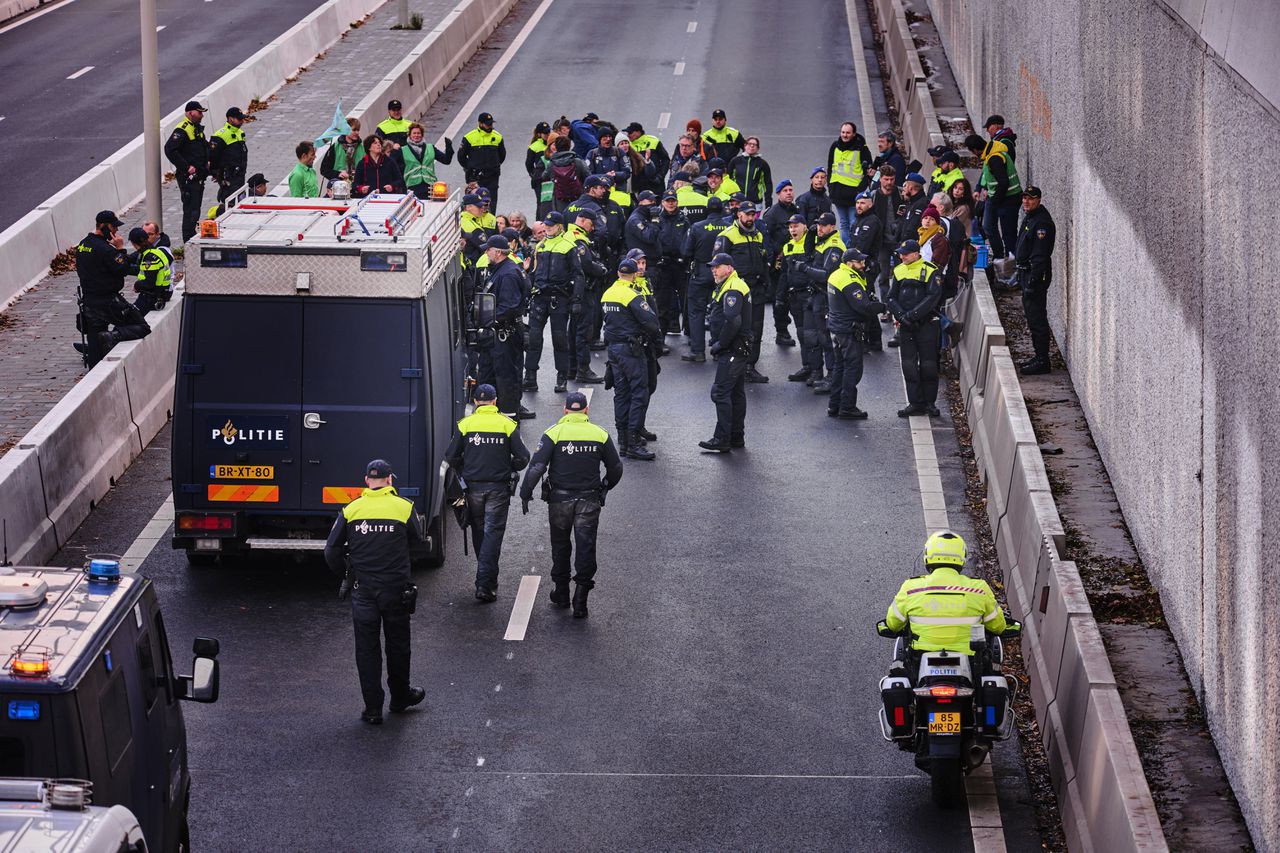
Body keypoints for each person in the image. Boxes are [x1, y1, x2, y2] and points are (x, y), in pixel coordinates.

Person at [323, 459, 427, 725]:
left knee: (367, 650)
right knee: (398, 645)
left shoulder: (351, 510)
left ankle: (372, 709)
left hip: (364, 591)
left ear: (367, 481)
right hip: (395, 590)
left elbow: (331, 551)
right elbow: (420, 544)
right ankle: (400, 698)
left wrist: (347, 573)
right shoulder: (404, 508)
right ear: (390, 480)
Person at [519, 392, 623, 618]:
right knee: (586, 547)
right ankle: (581, 601)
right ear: (586, 411)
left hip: (559, 501)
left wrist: (525, 493)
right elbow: (616, 468)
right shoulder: (600, 434)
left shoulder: (553, 433)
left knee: (560, 546)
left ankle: (562, 593)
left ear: (565, 410)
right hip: (589, 500)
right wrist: (605, 486)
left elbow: (537, 468)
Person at [444, 384, 530, 602]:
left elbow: (451, 456)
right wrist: (508, 466)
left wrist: (467, 467)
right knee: (493, 534)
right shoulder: (507, 425)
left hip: (472, 489)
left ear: (475, 402)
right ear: (494, 401)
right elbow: (523, 458)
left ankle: (487, 579)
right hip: (498, 489)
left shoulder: (465, 425)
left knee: (480, 531)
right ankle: (484, 582)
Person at [884, 531, 1009, 673]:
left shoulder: (911, 588)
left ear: (928, 555)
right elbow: (998, 627)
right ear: (962, 557)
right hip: (970, 658)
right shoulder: (979, 589)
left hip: (920, 657)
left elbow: (893, 624)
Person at [602, 257, 662, 459]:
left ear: (618, 273)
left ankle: (623, 440)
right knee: (639, 393)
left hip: (614, 350)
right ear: (635, 274)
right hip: (631, 351)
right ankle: (634, 442)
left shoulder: (608, 293)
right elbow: (651, 322)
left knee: (621, 393)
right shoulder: (632, 295)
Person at [74, 211, 151, 364]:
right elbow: (123, 268)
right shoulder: (106, 249)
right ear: (104, 226)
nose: (116, 231)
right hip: (109, 301)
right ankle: (112, 336)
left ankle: (94, 375)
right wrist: (120, 248)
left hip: (89, 301)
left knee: (95, 344)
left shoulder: (83, 244)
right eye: (114, 227)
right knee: (142, 327)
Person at [698, 253, 753, 452]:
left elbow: (733, 320)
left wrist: (721, 344)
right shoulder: (730, 284)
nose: (713, 270)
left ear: (728, 268)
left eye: (717, 266)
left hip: (733, 349)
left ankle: (722, 439)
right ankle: (736, 436)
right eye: (712, 266)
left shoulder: (733, 288)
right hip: (738, 348)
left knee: (720, 392)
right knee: (736, 393)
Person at [826, 248, 885, 419]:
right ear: (849, 263)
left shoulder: (836, 274)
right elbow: (863, 307)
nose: (863, 264)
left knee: (839, 367)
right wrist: (882, 307)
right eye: (859, 262)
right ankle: (847, 407)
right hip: (848, 330)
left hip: (837, 328)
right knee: (852, 369)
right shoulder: (849, 280)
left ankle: (834, 405)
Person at [713, 202, 769, 382]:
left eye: (753, 214)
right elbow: (718, 266)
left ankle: (750, 366)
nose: (751, 218)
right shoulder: (726, 236)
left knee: (756, 329)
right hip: (737, 290)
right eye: (747, 214)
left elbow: (763, 260)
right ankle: (734, 362)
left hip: (757, 289)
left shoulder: (758, 235)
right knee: (736, 326)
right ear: (739, 215)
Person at [888, 239, 943, 417]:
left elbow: (933, 297)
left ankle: (930, 403)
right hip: (906, 325)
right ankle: (915, 403)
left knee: (928, 365)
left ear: (916, 253)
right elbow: (891, 298)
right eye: (900, 254)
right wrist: (901, 316)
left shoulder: (930, 270)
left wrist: (912, 315)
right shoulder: (898, 270)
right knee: (909, 365)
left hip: (926, 324)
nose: (902, 256)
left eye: (905, 253)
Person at [525, 211, 578, 393]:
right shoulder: (540, 246)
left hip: (559, 298)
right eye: (546, 224)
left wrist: (576, 300)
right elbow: (532, 272)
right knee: (533, 339)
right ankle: (530, 376)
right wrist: (527, 294)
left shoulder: (569, 246)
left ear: (560, 226)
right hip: (539, 297)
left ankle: (562, 376)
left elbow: (578, 275)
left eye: (551, 224)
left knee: (559, 339)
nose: (547, 227)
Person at [482, 235, 532, 419]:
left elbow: (509, 306)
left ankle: (509, 419)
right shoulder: (502, 269)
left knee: (506, 376)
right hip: (500, 332)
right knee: (492, 372)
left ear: (497, 252)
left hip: (506, 332)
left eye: (488, 250)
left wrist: (487, 319)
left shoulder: (508, 274)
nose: (486, 253)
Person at [681, 197, 731, 362]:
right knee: (720, 311)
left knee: (696, 312)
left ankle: (698, 351)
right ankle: (718, 349)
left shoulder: (697, 227)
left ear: (707, 209)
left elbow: (686, 251)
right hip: (723, 274)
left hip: (701, 272)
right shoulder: (728, 227)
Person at [800, 212, 846, 393]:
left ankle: (833, 377)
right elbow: (808, 253)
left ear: (832, 227)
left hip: (827, 297)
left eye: (823, 225)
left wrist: (804, 268)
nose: (820, 228)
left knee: (828, 339)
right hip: (817, 296)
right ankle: (826, 374)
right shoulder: (823, 241)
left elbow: (826, 275)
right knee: (818, 337)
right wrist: (810, 235)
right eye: (818, 225)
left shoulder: (834, 246)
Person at [1014, 186, 1056, 375]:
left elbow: (1040, 257)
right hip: (1026, 274)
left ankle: (1042, 360)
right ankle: (1038, 355)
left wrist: (1031, 282)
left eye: (1030, 199)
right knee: (1032, 318)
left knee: (1037, 318)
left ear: (1038, 199)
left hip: (1035, 276)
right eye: (1024, 198)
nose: (1026, 202)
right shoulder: (1030, 217)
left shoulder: (1042, 223)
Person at [965, 132, 1021, 274]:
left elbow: (1003, 182)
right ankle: (1000, 258)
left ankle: (1010, 266)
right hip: (998, 198)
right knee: (988, 226)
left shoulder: (994, 157)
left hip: (1008, 199)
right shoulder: (990, 154)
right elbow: (989, 177)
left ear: (975, 150)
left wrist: (994, 200)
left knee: (1008, 233)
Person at [164, 101, 211, 242]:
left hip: (198, 177)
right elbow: (169, 150)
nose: (202, 115)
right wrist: (186, 167)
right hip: (188, 178)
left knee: (195, 210)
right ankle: (188, 243)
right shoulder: (183, 129)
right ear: (190, 113)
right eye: (199, 112)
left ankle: (191, 239)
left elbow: (203, 149)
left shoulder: (195, 128)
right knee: (191, 211)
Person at [780, 214, 815, 382]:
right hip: (794, 296)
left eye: (796, 226)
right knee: (801, 333)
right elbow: (784, 274)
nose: (793, 229)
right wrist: (780, 297)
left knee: (811, 334)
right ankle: (807, 366)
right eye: (790, 227)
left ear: (804, 227)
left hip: (809, 294)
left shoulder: (812, 244)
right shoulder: (787, 247)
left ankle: (816, 370)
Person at [848, 192, 884, 350]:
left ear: (870, 204)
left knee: (862, 302)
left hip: (866, 267)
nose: (859, 206)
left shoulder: (872, 222)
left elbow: (862, 246)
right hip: (858, 266)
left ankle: (868, 338)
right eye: (857, 203)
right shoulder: (858, 220)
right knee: (866, 300)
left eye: (863, 203)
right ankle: (874, 339)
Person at [827, 121, 873, 244]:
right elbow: (830, 167)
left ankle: (852, 249)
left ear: (853, 134)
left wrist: (861, 189)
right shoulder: (835, 146)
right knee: (843, 224)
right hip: (838, 193)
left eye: (848, 132)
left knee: (853, 223)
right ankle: (847, 251)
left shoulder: (861, 149)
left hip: (854, 194)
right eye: (843, 132)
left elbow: (869, 171)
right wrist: (830, 187)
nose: (845, 135)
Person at [653, 190, 691, 336]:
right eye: (667, 200)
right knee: (663, 303)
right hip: (664, 265)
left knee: (685, 300)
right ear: (662, 203)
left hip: (680, 265)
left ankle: (689, 333)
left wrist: (686, 257)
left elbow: (689, 239)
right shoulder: (657, 219)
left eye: (673, 200)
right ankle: (661, 336)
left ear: (677, 202)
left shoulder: (683, 219)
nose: (670, 203)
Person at [458, 112, 506, 208]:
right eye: (487, 124)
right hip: (475, 177)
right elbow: (461, 157)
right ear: (480, 124)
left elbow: (502, 155)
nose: (490, 126)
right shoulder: (469, 137)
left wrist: (493, 165)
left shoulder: (498, 137)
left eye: (491, 124)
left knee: (491, 202)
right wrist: (470, 167)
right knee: (474, 201)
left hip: (492, 176)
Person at [395, 123, 453, 199]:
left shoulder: (430, 148)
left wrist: (449, 147)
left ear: (422, 135)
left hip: (430, 187)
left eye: (418, 133)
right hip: (413, 187)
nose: (416, 135)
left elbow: (446, 160)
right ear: (409, 135)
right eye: (414, 133)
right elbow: (393, 167)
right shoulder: (402, 150)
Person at [870, 166, 902, 300]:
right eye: (886, 179)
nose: (889, 182)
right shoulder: (874, 195)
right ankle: (885, 306)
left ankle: (898, 303)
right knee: (883, 276)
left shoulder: (901, 193)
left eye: (892, 179)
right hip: (882, 242)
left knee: (900, 275)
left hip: (898, 241)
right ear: (881, 179)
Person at [128, 226, 173, 315]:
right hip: (160, 295)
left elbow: (149, 283)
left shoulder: (149, 258)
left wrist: (137, 285)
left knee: (128, 317)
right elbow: (142, 269)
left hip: (151, 298)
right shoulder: (156, 251)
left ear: (133, 243)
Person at [208, 106, 248, 205]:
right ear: (230, 119)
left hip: (240, 175)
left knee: (239, 199)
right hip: (228, 175)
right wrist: (215, 173)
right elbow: (212, 156)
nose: (242, 121)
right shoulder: (220, 135)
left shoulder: (240, 133)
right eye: (239, 119)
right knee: (230, 200)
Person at [622, 121, 670, 195]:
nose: (628, 135)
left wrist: (660, 176)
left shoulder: (653, 141)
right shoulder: (628, 145)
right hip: (639, 186)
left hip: (655, 183)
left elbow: (665, 160)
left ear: (638, 132)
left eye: (630, 133)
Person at [728, 136, 773, 207]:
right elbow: (729, 180)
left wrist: (768, 203)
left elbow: (767, 184)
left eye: (754, 145)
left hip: (755, 202)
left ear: (758, 148)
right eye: (749, 144)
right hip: (737, 201)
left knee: (753, 218)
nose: (752, 146)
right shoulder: (735, 161)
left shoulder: (762, 164)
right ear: (745, 146)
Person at [319, 118, 365, 184]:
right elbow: (324, 170)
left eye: (358, 130)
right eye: (354, 130)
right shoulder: (335, 147)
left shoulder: (362, 148)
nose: (357, 132)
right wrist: (338, 174)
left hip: (358, 187)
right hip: (339, 188)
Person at [525, 121, 552, 213]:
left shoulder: (552, 144)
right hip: (540, 180)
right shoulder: (534, 147)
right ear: (539, 134)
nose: (548, 134)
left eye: (549, 132)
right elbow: (528, 164)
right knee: (541, 203)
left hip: (552, 178)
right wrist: (534, 176)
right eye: (545, 133)